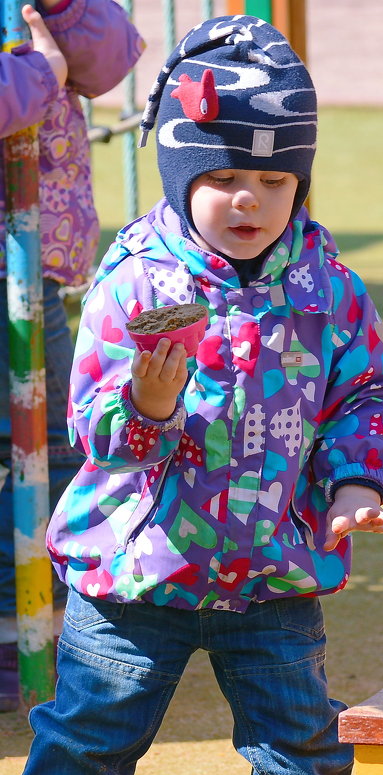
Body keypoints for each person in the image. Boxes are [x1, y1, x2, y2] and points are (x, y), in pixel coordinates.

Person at [12, 14, 383, 775]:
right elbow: (93, 429)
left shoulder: (325, 286)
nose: (250, 201)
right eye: (225, 177)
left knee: (304, 755)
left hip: (273, 573)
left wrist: (356, 485)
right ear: (180, 174)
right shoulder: (135, 281)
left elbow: (366, 393)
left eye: (275, 182)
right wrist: (148, 404)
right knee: (85, 746)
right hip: (134, 574)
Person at [0, 0, 144, 712]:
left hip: (38, 269)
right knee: (36, 453)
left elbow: (113, 59)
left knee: (59, 446)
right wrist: (36, 72)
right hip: (8, 267)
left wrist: (62, 9)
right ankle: (15, 637)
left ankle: (43, 627)